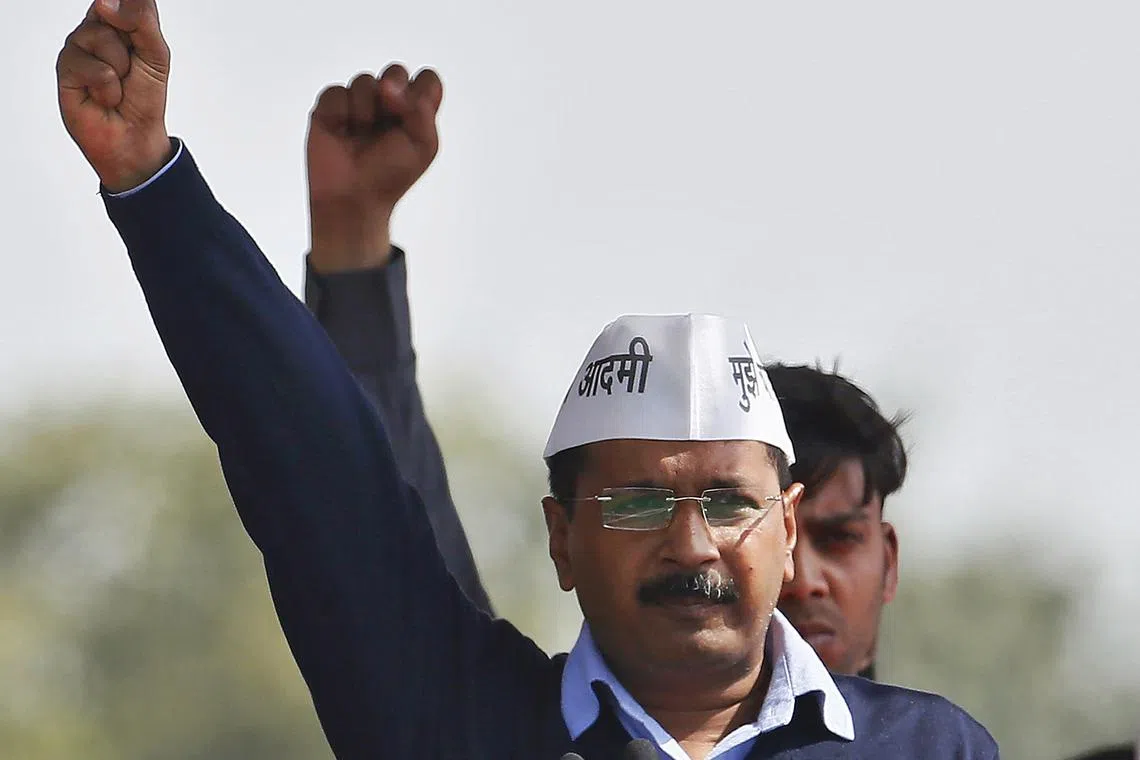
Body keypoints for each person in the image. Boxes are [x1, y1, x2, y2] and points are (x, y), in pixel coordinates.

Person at [55, 1, 999, 757]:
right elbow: (315, 463)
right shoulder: (459, 720)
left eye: (728, 503)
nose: (690, 545)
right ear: (561, 538)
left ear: (784, 530)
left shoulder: (932, 747)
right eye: (636, 503)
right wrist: (152, 184)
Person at [298, 88, 905, 677]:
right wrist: (353, 243)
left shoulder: (939, 734)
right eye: (648, 507)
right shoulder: (522, 729)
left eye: (839, 539)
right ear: (563, 540)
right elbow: (396, 548)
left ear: (888, 562)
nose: (805, 578)